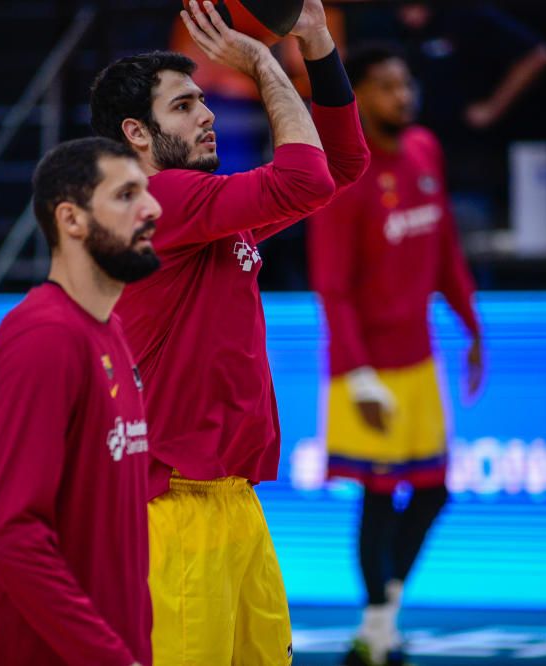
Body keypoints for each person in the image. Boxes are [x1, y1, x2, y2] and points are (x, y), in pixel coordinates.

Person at [88, 1, 369, 663]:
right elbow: (305, 175)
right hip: (169, 512)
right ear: (136, 133)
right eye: (185, 105)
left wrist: (319, 42)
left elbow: (340, 166)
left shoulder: (209, 217)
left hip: (231, 503)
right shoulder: (159, 202)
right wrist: (269, 63)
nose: (209, 112)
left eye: (205, 98)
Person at [0, 137, 162, 666]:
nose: (152, 209)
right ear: (72, 219)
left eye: (146, 193)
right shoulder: (45, 338)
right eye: (127, 195)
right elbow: (11, 533)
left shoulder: (109, 332)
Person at [309, 44, 484, 666]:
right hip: (367, 368)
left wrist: (472, 325)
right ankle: (378, 627)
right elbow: (331, 287)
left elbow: (444, 250)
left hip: (419, 358)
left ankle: (379, 624)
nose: (402, 96)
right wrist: (356, 375)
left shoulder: (425, 151)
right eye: (386, 86)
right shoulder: (343, 176)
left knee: (434, 492)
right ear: (359, 96)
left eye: (405, 83)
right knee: (380, 497)